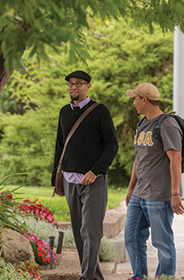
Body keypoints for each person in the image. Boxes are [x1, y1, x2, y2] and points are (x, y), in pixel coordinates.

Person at [52, 70, 118, 280]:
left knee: (91, 231)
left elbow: (112, 145)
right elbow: (60, 145)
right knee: (80, 232)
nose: (73, 87)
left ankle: (87, 277)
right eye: (70, 84)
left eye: (78, 84)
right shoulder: (64, 112)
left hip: (93, 181)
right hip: (70, 179)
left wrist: (95, 171)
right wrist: (55, 177)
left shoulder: (100, 111)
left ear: (88, 86)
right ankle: (91, 275)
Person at [123, 82, 184, 279]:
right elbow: (138, 158)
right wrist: (131, 188)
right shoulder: (142, 124)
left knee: (162, 242)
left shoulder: (167, 124)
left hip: (159, 195)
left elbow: (176, 158)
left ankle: (164, 277)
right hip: (139, 194)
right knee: (131, 238)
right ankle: (139, 275)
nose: (133, 103)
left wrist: (175, 193)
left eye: (135, 99)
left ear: (144, 99)